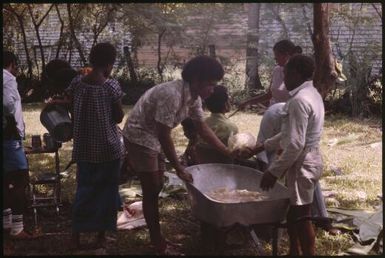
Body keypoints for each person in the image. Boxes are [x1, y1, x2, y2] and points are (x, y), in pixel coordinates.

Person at [122, 55, 234, 255]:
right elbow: (164, 135)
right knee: (151, 189)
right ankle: (159, 245)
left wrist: (226, 151)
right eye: (210, 84)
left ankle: (158, 239)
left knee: (155, 186)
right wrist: (178, 167)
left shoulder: (194, 97)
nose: (213, 89)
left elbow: (202, 128)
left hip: (153, 137)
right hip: (139, 135)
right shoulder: (171, 94)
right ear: (197, 79)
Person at [249, 54, 324, 255]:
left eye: (286, 73)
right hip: (306, 159)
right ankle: (294, 251)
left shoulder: (299, 101)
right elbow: (289, 132)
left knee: (302, 215)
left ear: (296, 73)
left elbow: (294, 143)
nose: (283, 79)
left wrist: (273, 171)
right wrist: (262, 146)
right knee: (294, 211)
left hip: (303, 162)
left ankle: (308, 253)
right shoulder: (311, 93)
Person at [62, 43, 125, 249]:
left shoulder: (77, 83)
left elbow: (70, 105)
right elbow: (118, 117)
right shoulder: (111, 86)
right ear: (109, 64)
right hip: (108, 149)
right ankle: (101, 236)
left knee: (85, 190)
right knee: (107, 192)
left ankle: (76, 235)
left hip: (84, 148)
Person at [3, 51, 36, 240]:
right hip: (9, 135)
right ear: (12, 63)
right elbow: (7, 104)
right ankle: (17, 227)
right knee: (20, 179)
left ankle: (6, 221)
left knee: (5, 178)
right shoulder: (7, 78)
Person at [238, 39, 302, 109]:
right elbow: (269, 95)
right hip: (274, 112)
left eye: (277, 55)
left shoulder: (300, 75)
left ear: (286, 55)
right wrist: (248, 102)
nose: (275, 58)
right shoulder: (276, 70)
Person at [195, 85, 239, 164]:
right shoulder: (232, 128)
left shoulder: (201, 124)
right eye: (228, 100)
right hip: (225, 168)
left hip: (204, 166)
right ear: (226, 104)